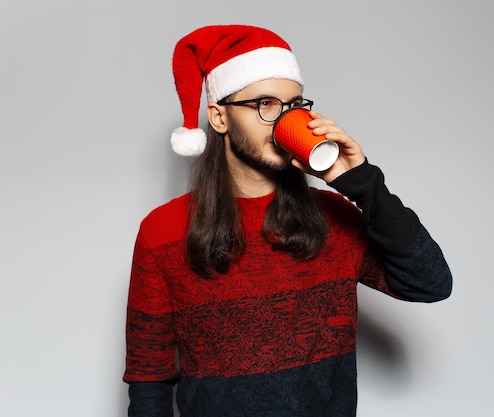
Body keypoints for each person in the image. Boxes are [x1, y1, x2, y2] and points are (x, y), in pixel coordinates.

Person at [123, 24, 452, 417]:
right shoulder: (163, 231)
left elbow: (431, 284)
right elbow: (149, 377)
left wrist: (363, 183)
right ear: (219, 117)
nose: (282, 120)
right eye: (265, 104)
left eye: (294, 105)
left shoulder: (332, 219)